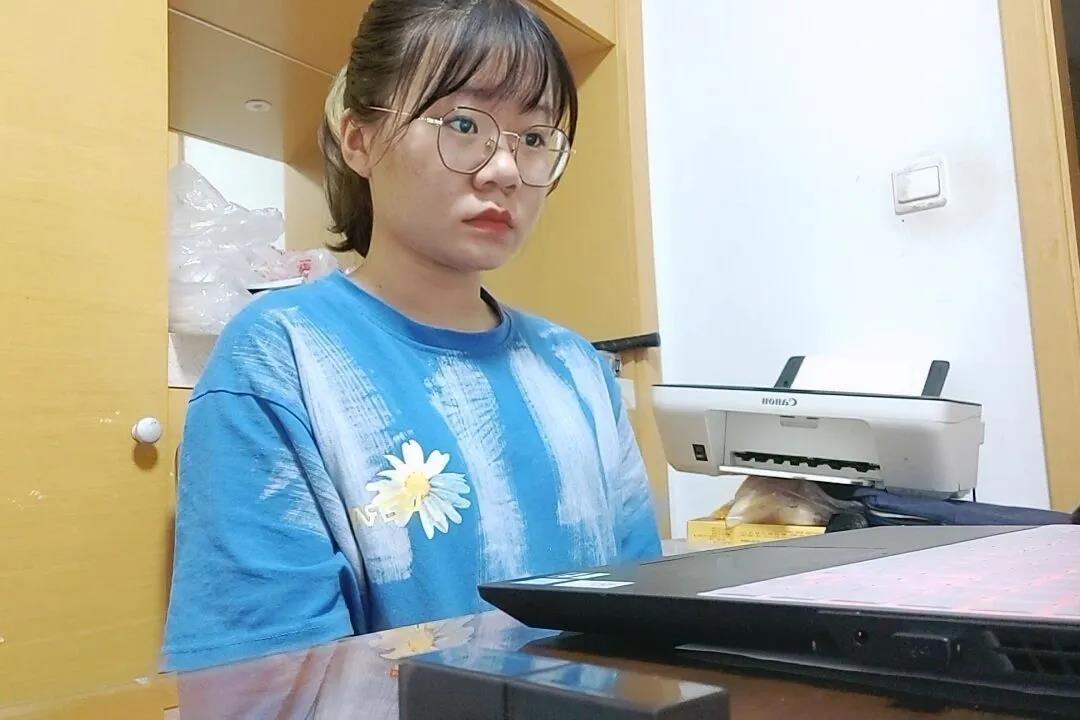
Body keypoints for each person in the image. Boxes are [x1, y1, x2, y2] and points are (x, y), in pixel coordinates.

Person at [162, 0, 661, 673]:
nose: (505, 170)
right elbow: (264, 684)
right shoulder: (282, 358)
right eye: (464, 124)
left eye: (535, 137)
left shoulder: (577, 369)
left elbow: (641, 624)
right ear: (359, 139)